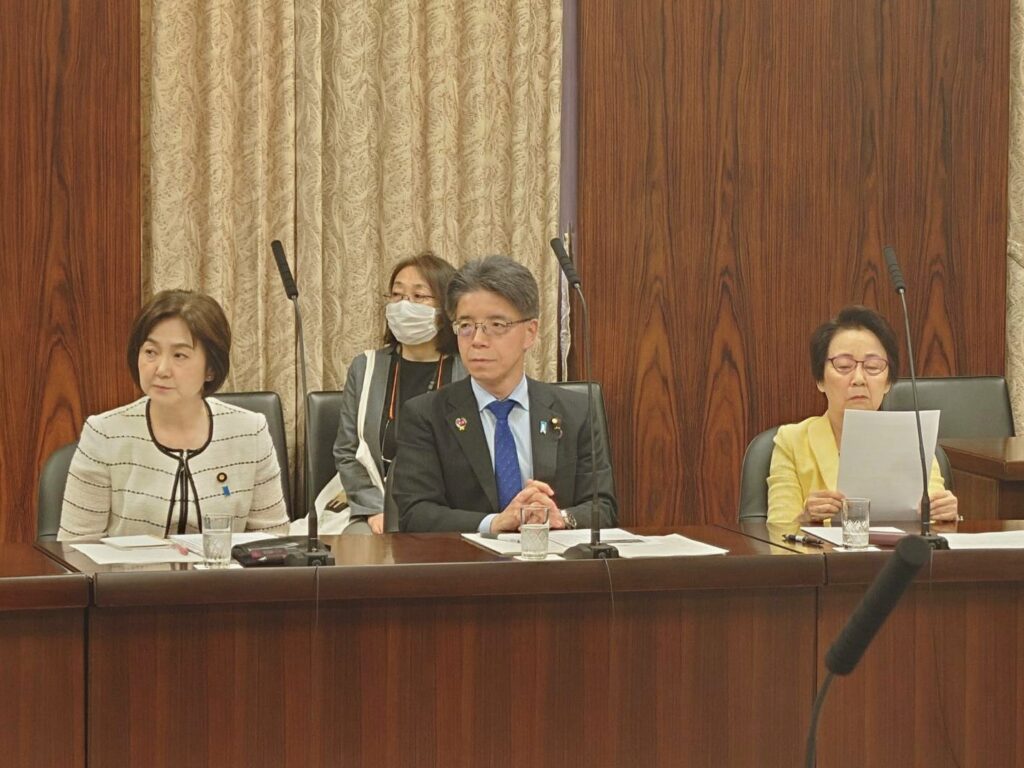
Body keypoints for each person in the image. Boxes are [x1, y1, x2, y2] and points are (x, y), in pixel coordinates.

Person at [392, 254, 618, 533]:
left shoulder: (576, 410)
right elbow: (415, 514)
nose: (477, 340)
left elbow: (602, 507)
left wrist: (559, 518)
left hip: (551, 557)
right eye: (466, 326)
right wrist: (494, 523)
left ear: (530, 332)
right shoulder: (426, 415)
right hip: (463, 559)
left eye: (496, 326)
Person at [57, 290, 290, 540]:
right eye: (150, 352)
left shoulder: (250, 432)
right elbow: (75, 548)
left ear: (211, 369)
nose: (161, 369)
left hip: (222, 567)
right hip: (131, 568)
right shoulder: (105, 434)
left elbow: (273, 541)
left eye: (179, 355)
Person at [766, 304, 958, 525]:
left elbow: (933, 522)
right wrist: (805, 518)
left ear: (888, 382)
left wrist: (944, 513)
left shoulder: (913, 438)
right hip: (821, 548)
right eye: (843, 366)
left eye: (873, 366)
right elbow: (777, 531)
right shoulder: (792, 441)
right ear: (820, 380)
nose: (858, 379)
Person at [328, 252, 466, 534]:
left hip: (447, 509)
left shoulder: (467, 371)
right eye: (397, 295)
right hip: (374, 506)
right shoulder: (366, 367)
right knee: (359, 543)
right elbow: (347, 451)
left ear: (447, 309)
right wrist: (375, 509)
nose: (405, 305)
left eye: (419, 296)